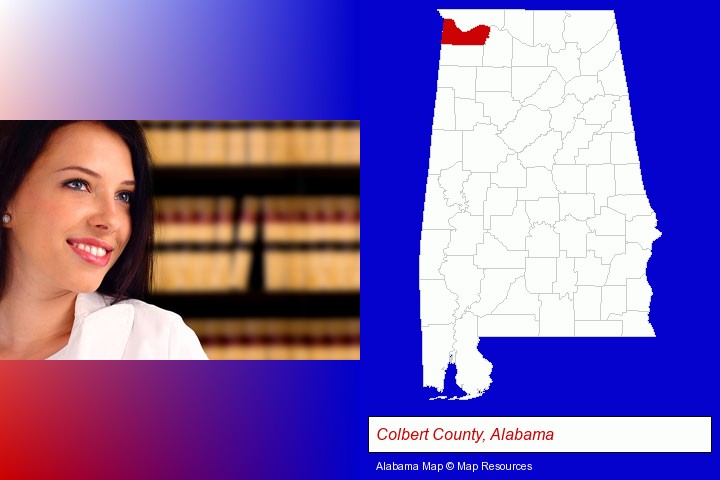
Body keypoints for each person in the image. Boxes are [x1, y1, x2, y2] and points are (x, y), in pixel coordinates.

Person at [0, 121, 207, 359]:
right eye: (78, 184)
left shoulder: (160, 345)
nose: (111, 220)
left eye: (124, 196)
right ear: (7, 197)